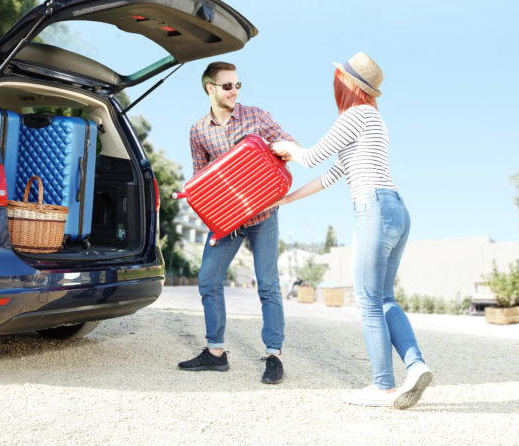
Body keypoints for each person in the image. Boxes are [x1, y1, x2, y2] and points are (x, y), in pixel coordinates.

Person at [271, 52, 433, 409]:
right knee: (385, 297)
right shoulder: (374, 119)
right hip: (397, 209)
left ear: (345, 83)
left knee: (368, 301)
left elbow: (310, 157)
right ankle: (416, 365)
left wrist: (286, 148)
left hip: (374, 207)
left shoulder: (355, 115)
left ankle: (383, 386)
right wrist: (284, 200)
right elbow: (330, 175)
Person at [177, 61, 296, 384]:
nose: (234, 91)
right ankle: (215, 353)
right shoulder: (198, 130)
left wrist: (281, 151)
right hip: (228, 220)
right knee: (207, 280)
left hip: (262, 215)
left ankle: (274, 356)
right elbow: (201, 177)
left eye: (238, 85)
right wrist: (204, 213)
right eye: (227, 86)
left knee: (268, 285)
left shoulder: (256, 116)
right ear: (210, 89)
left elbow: (290, 143)